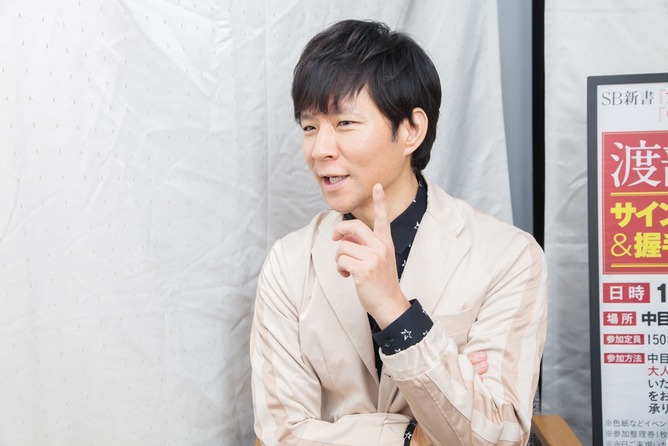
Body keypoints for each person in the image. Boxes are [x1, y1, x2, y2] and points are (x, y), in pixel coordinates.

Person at [250, 19, 548, 446]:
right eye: (310, 127)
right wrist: (410, 436)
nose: (319, 150)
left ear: (411, 130)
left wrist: (395, 311)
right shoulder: (288, 263)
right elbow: (281, 434)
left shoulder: (509, 257)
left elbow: (497, 433)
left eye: (344, 123)